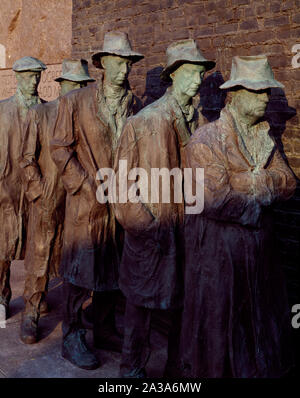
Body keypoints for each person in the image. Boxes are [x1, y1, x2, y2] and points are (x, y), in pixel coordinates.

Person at [181, 55, 297, 377]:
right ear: (237, 93)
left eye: (267, 92)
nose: (265, 98)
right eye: (259, 92)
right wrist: (257, 196)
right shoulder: (206, 140)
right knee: (221, 335)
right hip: (221, 258)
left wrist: (250, 182)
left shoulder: (266, 137)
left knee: (258, 332)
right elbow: (214, 197)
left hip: (260, 258)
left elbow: (287, 183)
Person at [113, 39, 215, 377]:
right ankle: (132, 370)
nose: (197, 80)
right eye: (190, 73)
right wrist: (147, 229)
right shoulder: (143, 122)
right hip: (152, 233)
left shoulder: (198, 122)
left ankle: (177, 366)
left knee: (180, 305)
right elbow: (121, 189)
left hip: (186, 233)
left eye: (200, 73)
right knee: (140, 307)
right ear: (173, 75)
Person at [50, 31, 143, 370]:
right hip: (86, 204)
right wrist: (84, 185)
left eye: (127, 64)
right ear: (103, 64)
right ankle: (71, 335)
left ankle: (103, 327)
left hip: (120, 204)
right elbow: (60, 147)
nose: (124, 70)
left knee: (113, 268)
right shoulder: (75, 102)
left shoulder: (136, 105)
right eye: (118, 63)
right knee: (79, 271)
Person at [19, 59, 95, 344]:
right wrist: (38, 191)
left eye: (81, 86)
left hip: (76, 201)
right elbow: (26, 159)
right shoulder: (41, 113)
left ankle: (74, 313)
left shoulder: (87, 117)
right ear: (62, 85)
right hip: (48, 196)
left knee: (72, 256)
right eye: (72, 85)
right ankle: (31, 311)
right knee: (40, 254)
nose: (76, 91)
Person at [0, 56, 46, 324]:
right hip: (7, 189)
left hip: (36, 191)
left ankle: (34, 302)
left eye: (37, 75)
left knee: (37, 249)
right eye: (28, 76)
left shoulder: (47, 110)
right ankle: (2, 296)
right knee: (3, 249)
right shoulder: (2, 111)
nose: (34, 80)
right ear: (17, 77)